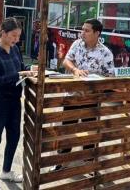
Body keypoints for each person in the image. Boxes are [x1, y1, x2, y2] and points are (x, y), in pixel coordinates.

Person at [53, 19, 114, 170]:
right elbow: (66, 61)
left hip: (92, 98)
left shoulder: (105, 53)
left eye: (86, 30)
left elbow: (110, 77)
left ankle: (88, 160)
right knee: (67, 127)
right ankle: (62, 158)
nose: (82, 33)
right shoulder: (77, 44)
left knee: (89, 127)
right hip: (72, 95)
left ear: (97, 33)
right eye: (82, 29)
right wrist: (75, 70)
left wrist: (96, 84)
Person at [0, 18, 33, 189]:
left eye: (19, 36)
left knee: (13, 137)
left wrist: (31, 69)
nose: (16, 40)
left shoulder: (15, 49)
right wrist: (20, 75)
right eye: (13, 35)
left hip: (14, 101)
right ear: (3, 32)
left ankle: (6, 170)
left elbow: (20, 66)